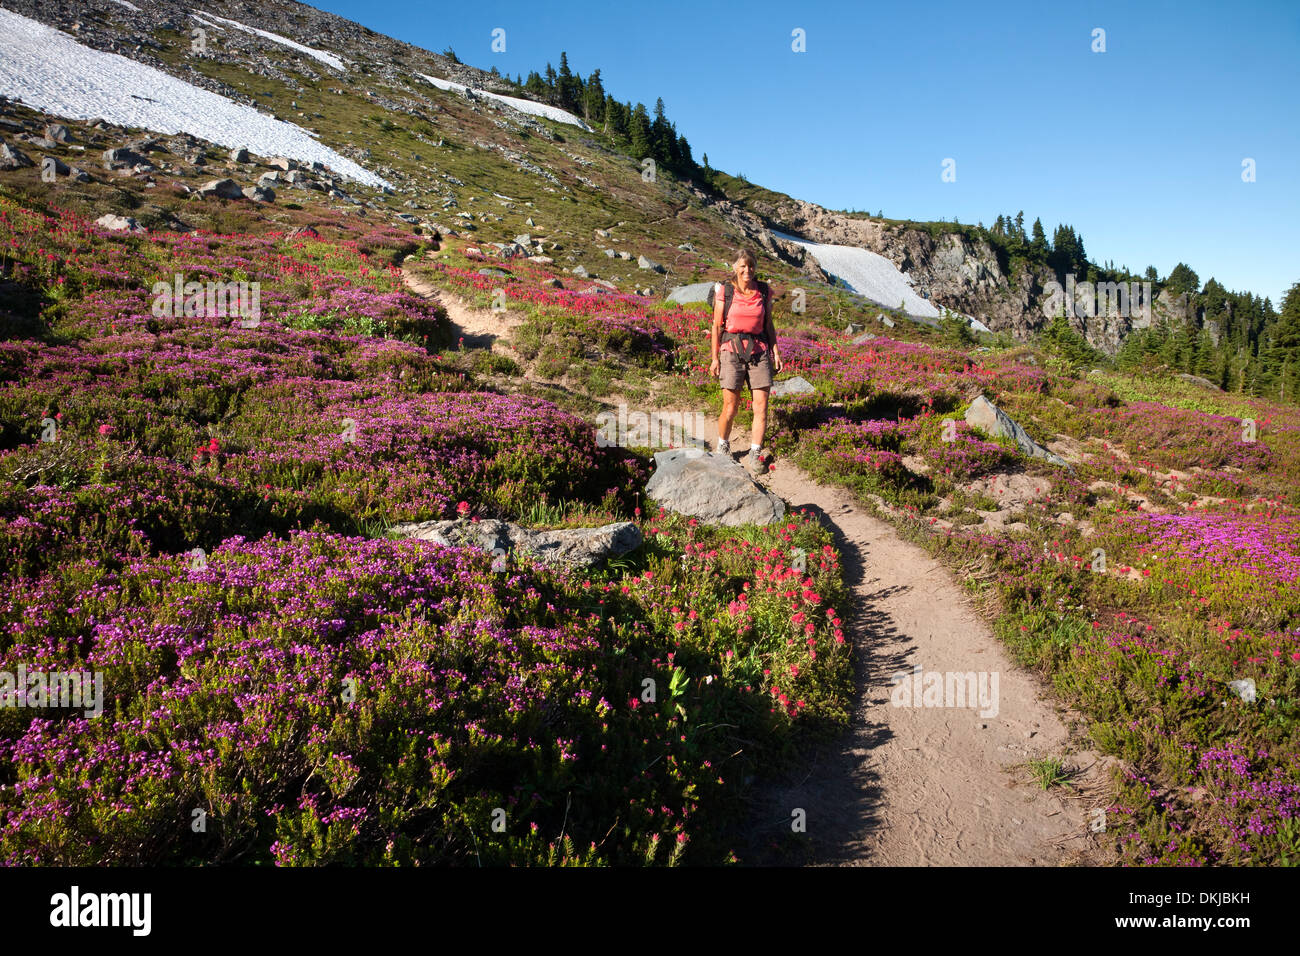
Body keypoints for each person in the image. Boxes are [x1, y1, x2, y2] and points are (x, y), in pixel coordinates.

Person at [708, 249, 782, 475]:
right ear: (734, 268)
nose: (747, 270)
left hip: (759, 352)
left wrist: (776, 352)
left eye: (750, 266)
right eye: (742, 266)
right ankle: (723, 445)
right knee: (730, 407)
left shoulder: (763, 292)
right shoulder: (726, 292)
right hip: (730, 351)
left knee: (761, 407)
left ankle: (755, 452)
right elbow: (717, 326)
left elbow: (768, 324)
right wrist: (714, 359)